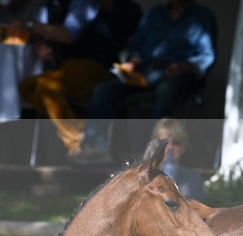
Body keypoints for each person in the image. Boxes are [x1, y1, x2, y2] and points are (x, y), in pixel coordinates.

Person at [78, 0, 216, 160]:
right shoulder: (154, 14)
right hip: (146, 72)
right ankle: (95, 148)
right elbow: (136, 45)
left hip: (178, 75)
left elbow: (206, 55)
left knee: (166, 90)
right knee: (104, 90)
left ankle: (148, 151)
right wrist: (133, 61)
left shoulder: (203, 16)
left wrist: (184, 67)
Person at [16, 0, 140, 157]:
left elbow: (68, 35)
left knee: (46, 87)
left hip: (95, 66)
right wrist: (38, 41)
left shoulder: (83, 2)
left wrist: (31, 26)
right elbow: (37, 31)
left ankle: (76, 143)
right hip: (65, 69)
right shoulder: (50, 7)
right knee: (27, 87)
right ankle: (80, 130)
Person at [152, 117, 202, 200]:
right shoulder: (144, 176)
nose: (170, 147)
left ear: (184, 147)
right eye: (164, 142)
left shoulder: (192, 178)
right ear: (154, 145)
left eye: (176, 142)